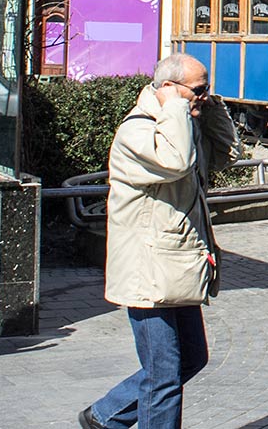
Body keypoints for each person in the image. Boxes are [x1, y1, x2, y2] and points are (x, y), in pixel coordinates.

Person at [80, 53, 240, 429]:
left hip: (176, 268)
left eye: (208, 90)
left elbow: (226, 156)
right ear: (168, 89)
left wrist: (210, 107)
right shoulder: (139, 131)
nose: (204, 97)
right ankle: (107, 417)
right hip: (147, 272)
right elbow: (175, 162)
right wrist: (177, 110)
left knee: (191, 358)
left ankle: (105, 415)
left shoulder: (184, 123)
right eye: (199, 90)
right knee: (163, 376)